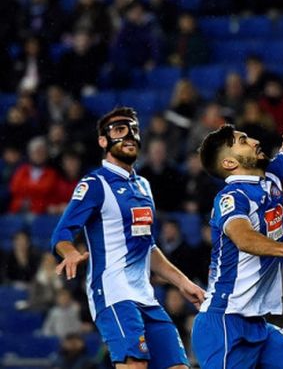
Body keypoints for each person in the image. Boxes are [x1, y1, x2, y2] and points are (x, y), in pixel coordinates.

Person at [193, 54, 283, 369]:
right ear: (229, 163)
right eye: (243, 141)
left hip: (258, 325)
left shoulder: (272, 177)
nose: (255, 141)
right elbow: (244, 238)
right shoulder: (231, 198)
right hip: (224, 324)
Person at [50, 107, 206, 369]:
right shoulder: (95, 184)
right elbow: (61, 233)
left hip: (145, 295)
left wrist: (182, 282)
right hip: (113, 293)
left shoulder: (143, 186)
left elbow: (148, 247)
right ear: (103, 140)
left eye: (134, 129)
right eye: (120, 130)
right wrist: (70, 252)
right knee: (135, 365)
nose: (130, 135)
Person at [9, 136, 62, 214]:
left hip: (41, 213)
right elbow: (14, 188)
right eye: (36, 152)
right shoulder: (22, 170)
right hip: (18, 211)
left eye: (42, 152)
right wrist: (36, 191)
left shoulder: (51, 173)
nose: (39, 155)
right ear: (30, 153)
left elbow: (47, 189)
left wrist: (27, 191)